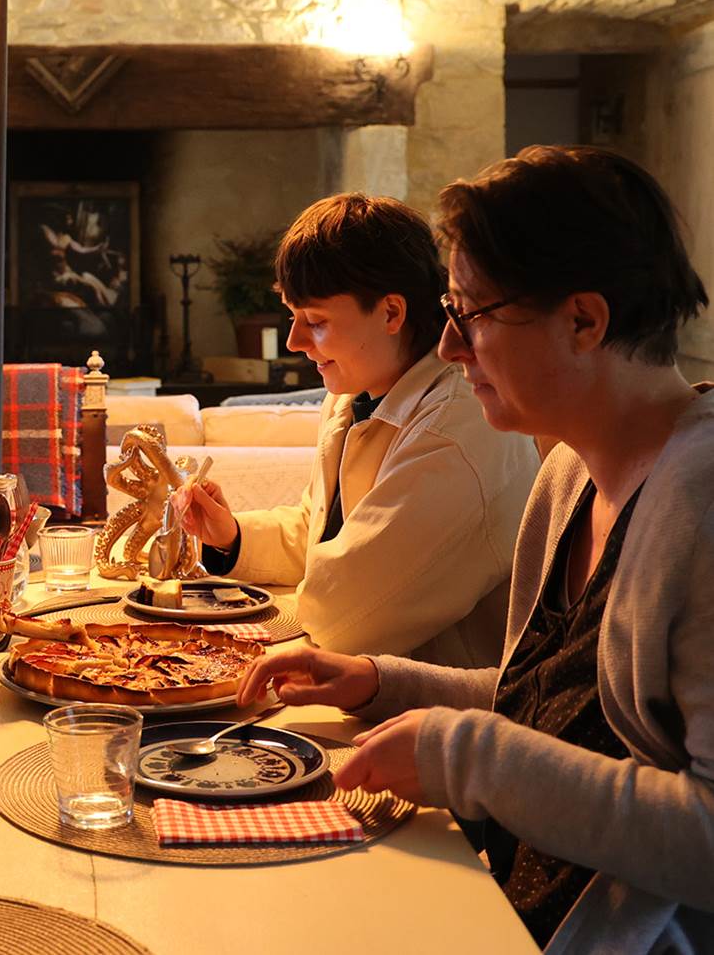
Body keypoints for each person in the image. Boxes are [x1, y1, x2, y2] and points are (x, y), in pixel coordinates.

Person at [236, 147, 714, 953]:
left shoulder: (700, 504)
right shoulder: (568, 472)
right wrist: (379, 681)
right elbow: (548, 707)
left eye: (472, 315)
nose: (452, 349)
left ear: (584, 321)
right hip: (494, 892)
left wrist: (468, 757)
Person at [174, 194, 539, 664]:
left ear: (391, 313)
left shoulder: (457, 427)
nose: (294, 341)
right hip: (368, 680)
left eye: (316, 322)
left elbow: (345, 616)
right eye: (292, 316)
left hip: (439, 707)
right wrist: (232, 535)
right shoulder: (354, 395)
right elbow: (323, 534)